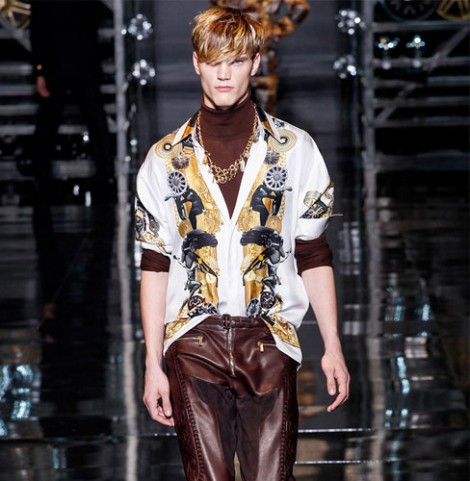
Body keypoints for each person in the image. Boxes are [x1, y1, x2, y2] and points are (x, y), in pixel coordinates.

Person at [136, 6, 349, 481]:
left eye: (235, 61)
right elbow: (154, 263)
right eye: (214, 61)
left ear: (255, 63)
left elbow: (313, 252)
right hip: (192, 341)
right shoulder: (164, 160)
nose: (224, 74)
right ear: (196, 62)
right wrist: (152, 365)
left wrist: (332, 345)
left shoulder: (295, 150)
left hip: (270, 340)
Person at [27, 0, 114, 195]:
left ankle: (41, 172)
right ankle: (105, 171)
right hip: (79, 62)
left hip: (60, 64)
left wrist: (39, 71)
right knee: (92, 120)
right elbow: (97, 16)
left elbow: (37, 31)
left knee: (53, 121)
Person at [210, 0, 311, 114]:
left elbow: (301, 7)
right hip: (233, 54)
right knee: (231, 108)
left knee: (264, 109)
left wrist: (277, 30)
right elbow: (215, 11)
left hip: (259, 55)